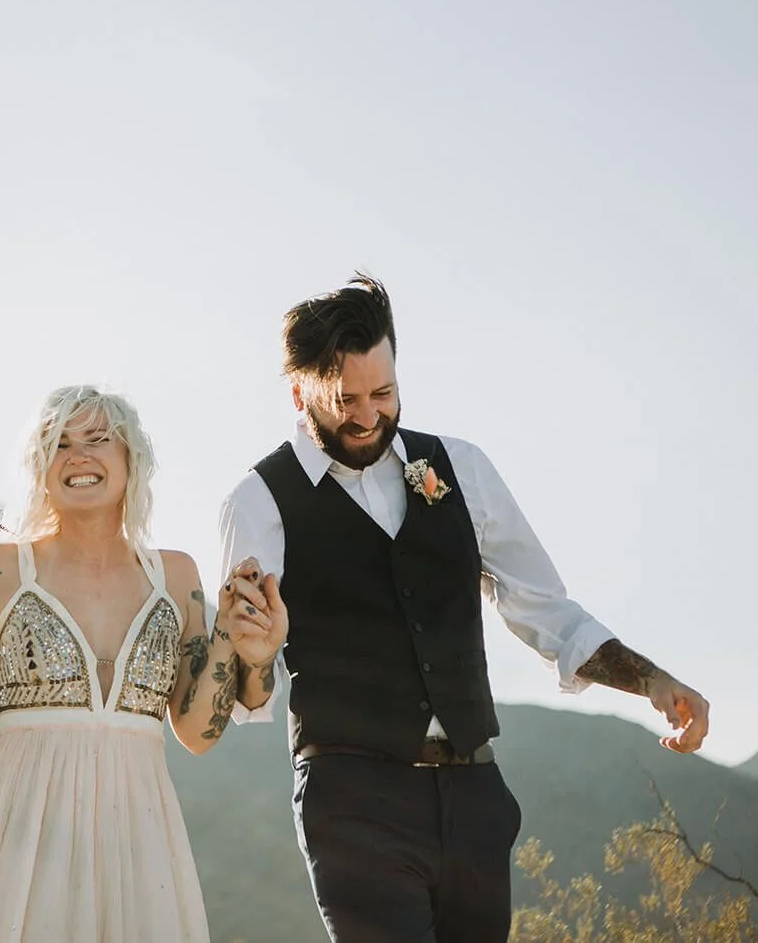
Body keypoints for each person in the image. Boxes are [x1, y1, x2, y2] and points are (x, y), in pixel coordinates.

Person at [220, 274, 711, 943]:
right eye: (346, 400)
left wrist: (652, 679)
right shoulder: (258, 501)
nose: (368, 415)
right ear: (300, 390)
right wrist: (252, 658)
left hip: (474, 795)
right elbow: (247, 692)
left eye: (384, 393)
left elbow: (543, 607)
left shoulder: (461, 468)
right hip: (352, 799)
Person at [0, 385, 279, 943]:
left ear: (129, 459)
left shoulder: (178, 576)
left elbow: (196, 730)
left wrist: (247, 654)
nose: (79, 456)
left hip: (138, 835)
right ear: (40, 464)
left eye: (97, 440)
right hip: (20, 832)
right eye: (60, 443)